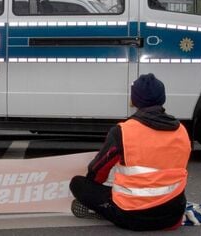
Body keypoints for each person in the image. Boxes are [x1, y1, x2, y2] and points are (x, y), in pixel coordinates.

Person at [69, 74, 189, 231]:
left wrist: (93, 187)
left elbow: (97, 170)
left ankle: (103, 209)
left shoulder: (123, 131)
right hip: (173, 216)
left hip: (133, 216)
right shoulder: (181, 130)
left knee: (78, 184)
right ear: (162, 98)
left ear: (134, 100)